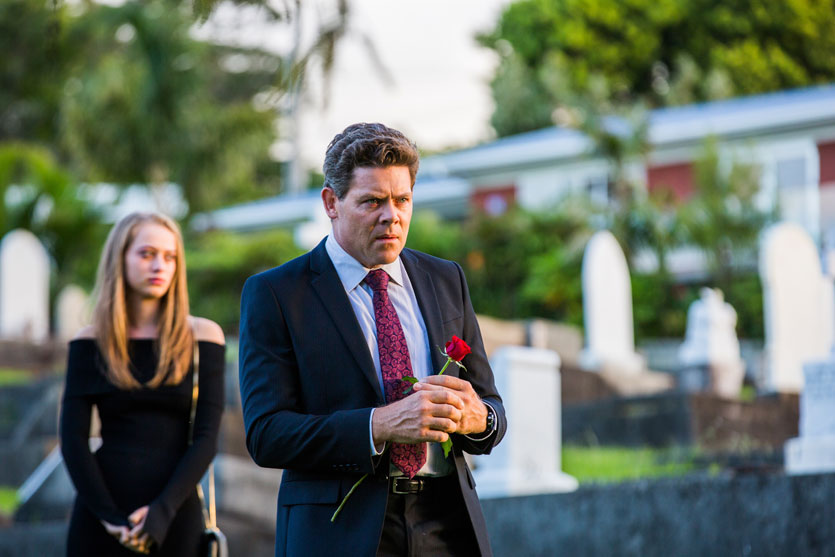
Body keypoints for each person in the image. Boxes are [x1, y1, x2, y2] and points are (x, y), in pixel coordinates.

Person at [238, 122, 507, 556]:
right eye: (372, 201)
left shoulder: (446, 278)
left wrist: (480, 419)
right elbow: (267, 434)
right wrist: (379, 426)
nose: (391, 216)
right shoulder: (276, 293)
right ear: (331, 203)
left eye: (402, 200)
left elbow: (490, 405)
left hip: (447, 527)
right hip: (338, 535)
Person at [60, 212, 226, 556]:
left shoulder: (203, 336)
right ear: (120, 258)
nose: (159, 266)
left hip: (175, 515)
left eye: (170, 256)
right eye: (147, 254)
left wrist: (161, 512)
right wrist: (108, 517)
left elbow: (207, 438)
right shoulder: (90, 341)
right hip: (101, 517)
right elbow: (73, 441)